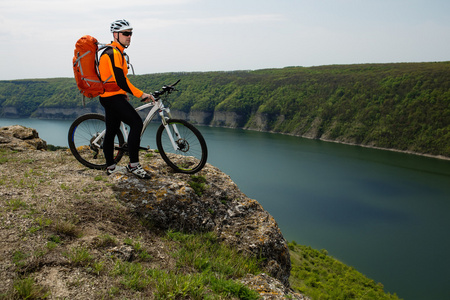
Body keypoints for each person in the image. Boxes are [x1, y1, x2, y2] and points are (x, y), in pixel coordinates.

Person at [98, 19, 154, 179]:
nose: (129, 36)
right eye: (125, 33)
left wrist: (124, 92)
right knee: (137, 123)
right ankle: (133, 165)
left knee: (112, 130)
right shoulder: (113, 53)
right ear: (115, 35)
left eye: (131, 33)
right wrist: (140, 94)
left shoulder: (116, 52)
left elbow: (119, 80)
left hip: (111, 96)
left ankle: (110, 167)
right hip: (112, 98)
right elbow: (121, 80)